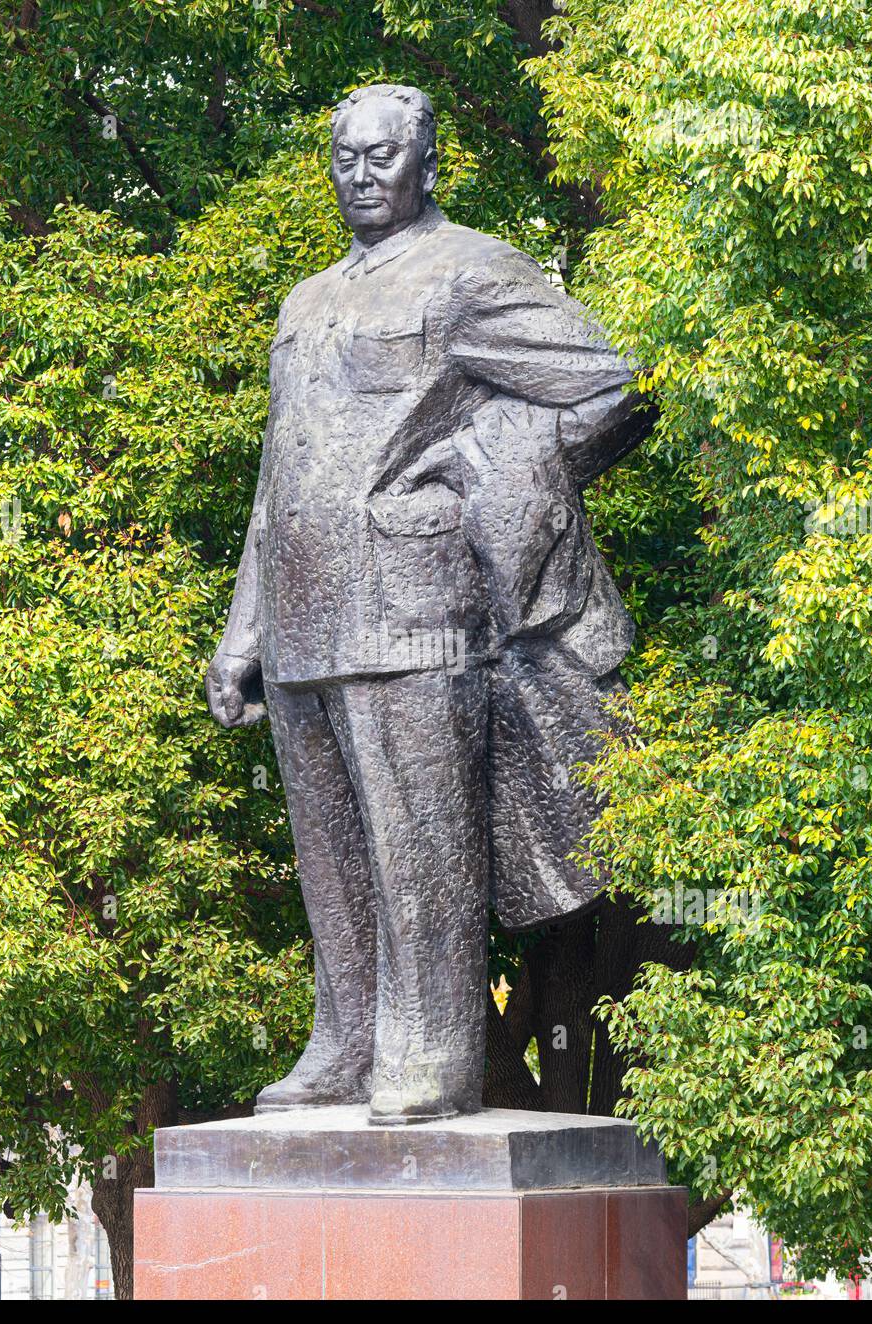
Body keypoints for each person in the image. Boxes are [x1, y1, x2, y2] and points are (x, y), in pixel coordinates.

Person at [206, 84, 654, 1124]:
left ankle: (433, 1050)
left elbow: (615, 385)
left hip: (414, 604)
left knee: (422, 846)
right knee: (333, 856)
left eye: (382, 158)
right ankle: (348, 1034)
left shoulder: (470, 274)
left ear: (426, 164)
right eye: (346, 159)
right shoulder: (305, 302)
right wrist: (243, 633)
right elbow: (280, 473)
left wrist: (491, 488)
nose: (362, 176)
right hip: (305, 609)